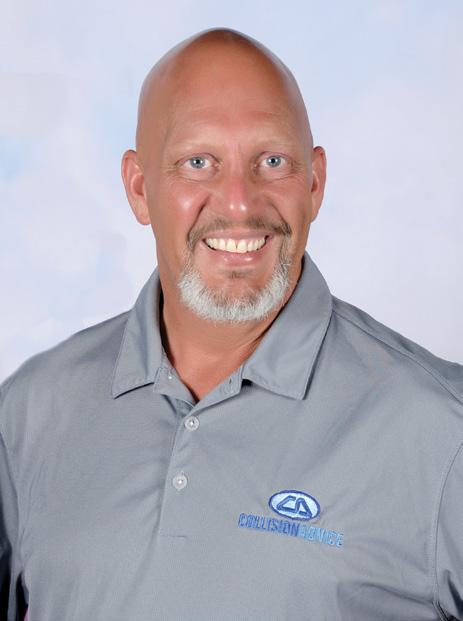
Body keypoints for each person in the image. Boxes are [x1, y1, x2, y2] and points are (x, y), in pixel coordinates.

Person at [1, 27, 462, 621]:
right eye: (198, 163)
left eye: (272, 161)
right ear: (139, 188)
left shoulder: (442, 433)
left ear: (315, 183)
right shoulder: (29, 414)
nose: (240, 203)